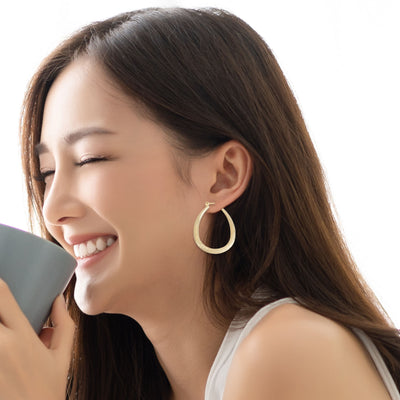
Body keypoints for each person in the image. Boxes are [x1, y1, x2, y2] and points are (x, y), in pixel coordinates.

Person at [0, 6, 398, 399]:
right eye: (46, 173)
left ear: (223, 175)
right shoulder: (123, 380)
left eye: (91, 159)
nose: (52, 210)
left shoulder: (292, 350)